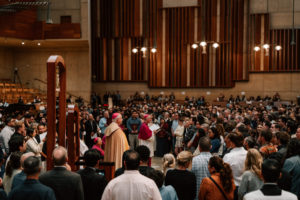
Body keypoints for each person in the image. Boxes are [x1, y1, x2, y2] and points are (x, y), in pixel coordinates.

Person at [223, 132, 247, 200]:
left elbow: (224, 174)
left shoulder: (228, 157)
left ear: (231, 142)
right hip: (245, 188)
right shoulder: (248, 154)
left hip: (233, 188)